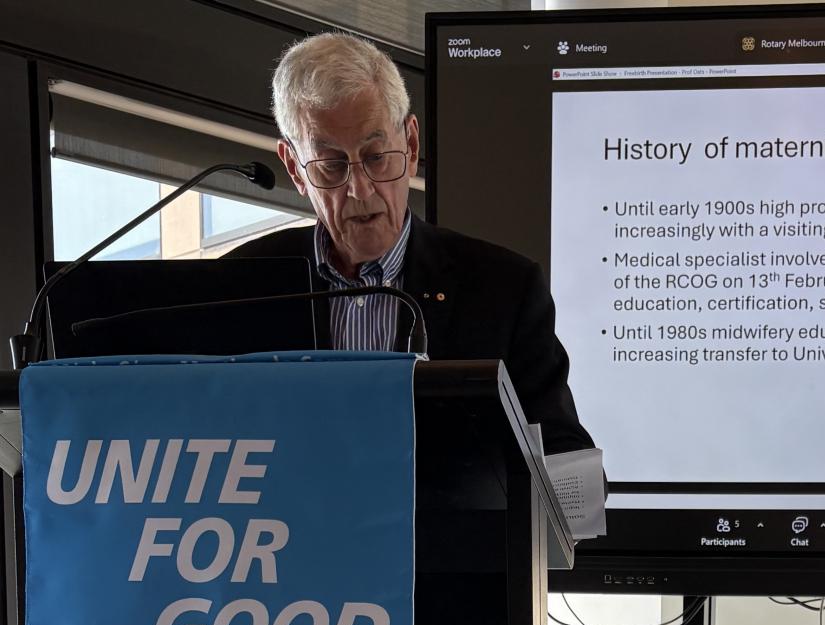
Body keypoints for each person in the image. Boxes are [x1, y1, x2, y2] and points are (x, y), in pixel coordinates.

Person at [226, 32, 592, 454]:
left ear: (411, 145)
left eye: (376, 157)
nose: (361, 189)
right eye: (331, 166)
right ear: (295, 168)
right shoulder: (238, 289)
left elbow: (565, 455)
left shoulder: (504, 289)